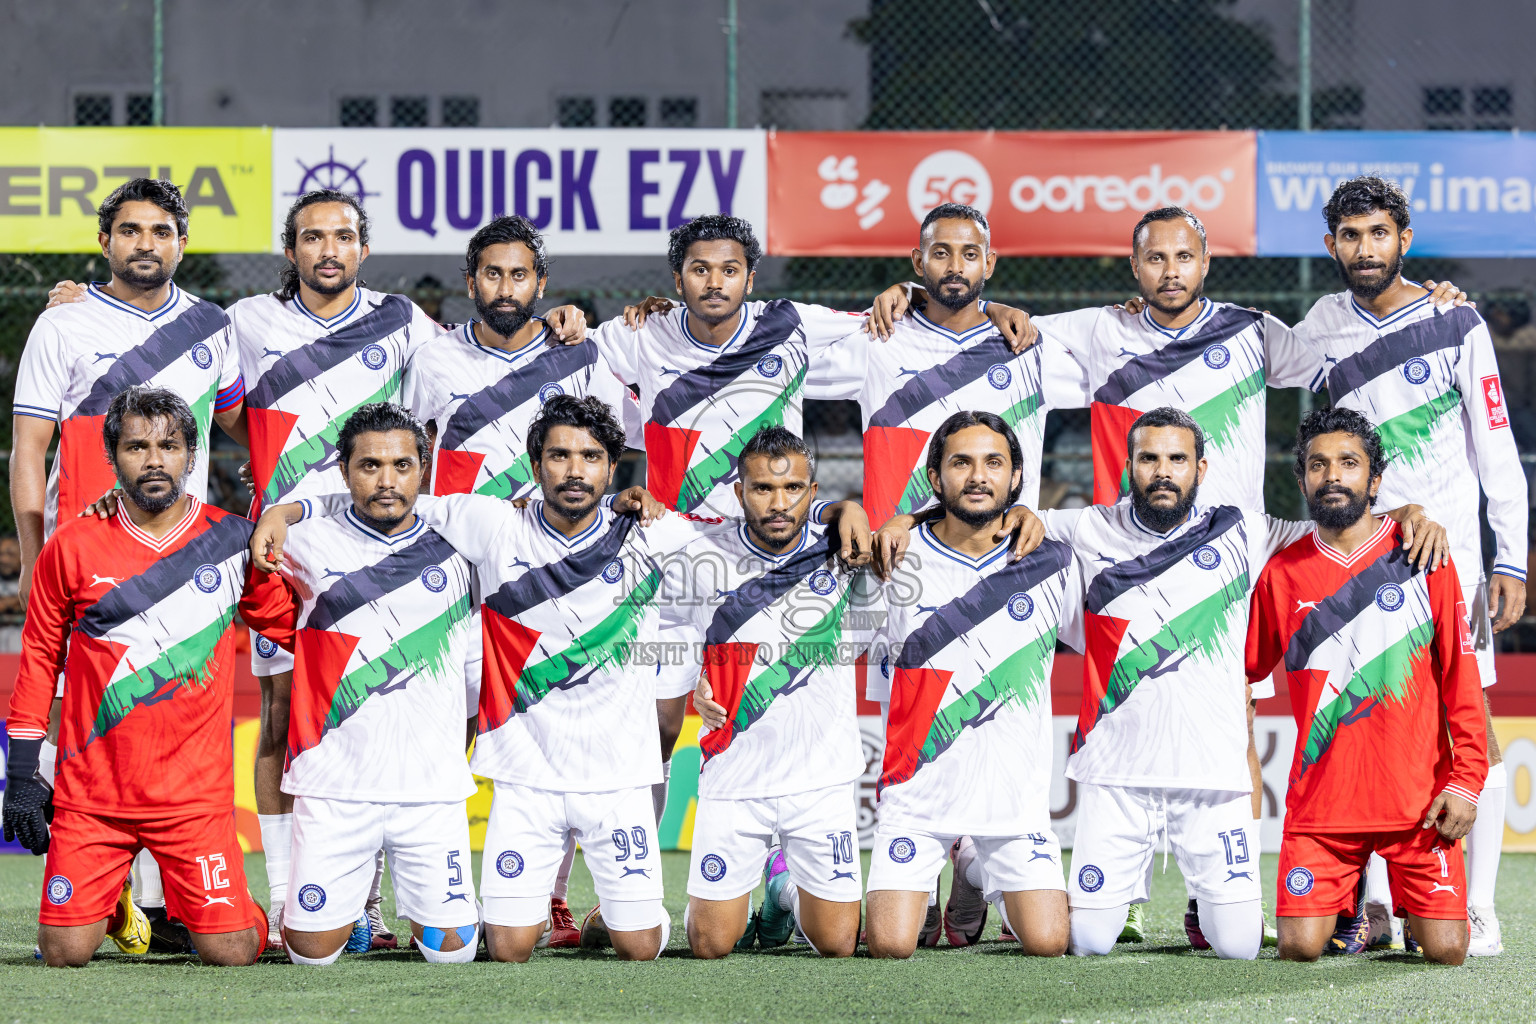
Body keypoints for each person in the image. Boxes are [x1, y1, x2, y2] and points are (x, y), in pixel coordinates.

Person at [47, 189, 591, 952]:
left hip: (398, 560)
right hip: (291, 559)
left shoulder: (403, 321)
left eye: (342, 236)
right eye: (312, 237)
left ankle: (389, 896)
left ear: (363, 249)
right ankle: (283, 900)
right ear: (290, 250)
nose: (328, 249)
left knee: (424, 715)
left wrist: (557, 322)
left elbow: (481, 352)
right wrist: (83, 305)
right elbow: (197, 396)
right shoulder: (244, 323)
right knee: (279, 724)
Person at [578, 214, 1032, 926]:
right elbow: (571, 356)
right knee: (658, 730)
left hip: (779, 557)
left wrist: (984, 306)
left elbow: (898, 324)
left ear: (750, 278)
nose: (714, 282)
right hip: (678, 564)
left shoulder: (791, 324)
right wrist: (578, 319)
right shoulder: (642, 334)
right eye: (698, 269)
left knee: (782, 704)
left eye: (729, 269)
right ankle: (626, 894)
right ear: (676, 279)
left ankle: (787, 870)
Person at [12, 177, 247, 949]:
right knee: (89, 723)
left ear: (182, 242)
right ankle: (101, 890)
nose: (146, 243)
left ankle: (176, 906)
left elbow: (247, 418)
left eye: (162, 230)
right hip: (93, 557)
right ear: (106, 241)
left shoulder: (216, 326)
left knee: (171, 714)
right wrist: (37, 550)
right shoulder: (65, 323)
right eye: (130, 230)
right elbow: (29, 451)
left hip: (184, 560)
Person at [1295, 176, 1525, 956]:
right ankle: (1385, 907)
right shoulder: (1319, 325)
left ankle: (1482, 910)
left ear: (1405, 239)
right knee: (1377, 721)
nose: (1366, 249)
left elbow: (1498, 451)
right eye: (1351, 237)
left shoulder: (1456, 318)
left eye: (1379, 235)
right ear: (1331, 246)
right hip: (1358, 564)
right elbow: (1233, 355)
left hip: (1446, 562)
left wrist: (1513, 562)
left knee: (1472, 733)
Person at [404, 215, 643, 946]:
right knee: (437, 733)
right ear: (470, 281)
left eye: (519, 275)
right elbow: (406, 456)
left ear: (542, 283)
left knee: (553, 728)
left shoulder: (580, 352)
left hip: (549, 580)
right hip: (457, 581)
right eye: (491, 274)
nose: (505, 288)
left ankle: (554, 896)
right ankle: (426, 899)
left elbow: (621, 441)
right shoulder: (435, 359)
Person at [3, 387, 274, 967]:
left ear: (191, 456)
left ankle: (211, 905)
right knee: (64, 953)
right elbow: (39, 662)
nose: (154, 460)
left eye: (169, 446)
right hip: (92, 799)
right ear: (112, 457)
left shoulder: (233, 542)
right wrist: (22, 776)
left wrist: (283, 520)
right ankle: (117, 902)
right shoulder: (71, 545)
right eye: (137, 447)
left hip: (193, 800)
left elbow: (290, 621)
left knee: (231, 952)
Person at [238, 403, 481, 965]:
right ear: (344, 473)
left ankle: (401, 911)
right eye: (369, 466)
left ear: (424, 467)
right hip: (334, 788)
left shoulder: (465, 542)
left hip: (430, 793)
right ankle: (340, 912)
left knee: (454, 956)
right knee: (312, 955)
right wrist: (281, 510)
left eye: (401, 465)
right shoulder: (304, 543)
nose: (387, 480)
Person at [1246, 407, 1487, 965]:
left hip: (1417, 805)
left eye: (1348, 464)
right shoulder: (1282, 574)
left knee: (1447, 951)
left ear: (1374, 480)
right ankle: (1354, 902)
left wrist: (1467, 780)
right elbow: (1243, 670)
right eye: (1318, 465)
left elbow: (1461, 679)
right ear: (1302, 478)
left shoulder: (1423, 557)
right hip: (1322, 810)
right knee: (1299, 949)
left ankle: (1397, 904)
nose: (1332, 476)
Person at [862, 410, 1079, 959]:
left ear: (1015, 476)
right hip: (916, 794)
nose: (978, 476)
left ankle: (974, 869)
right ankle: (952, 857)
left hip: (1013, 803)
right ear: (936, 478)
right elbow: (825, 642)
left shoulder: (1054, 560)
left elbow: (1106, 636)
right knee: (891, 946)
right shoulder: (894, 558)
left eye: (993, 463)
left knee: (1051, 943)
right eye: (961, 462)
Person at [673, 426, 874, 959]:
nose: (779, 503)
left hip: (820, 775)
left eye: (793, 490)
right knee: (711, 945)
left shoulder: (843, 548)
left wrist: (845, 508)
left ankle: (782, 891)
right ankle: (760, 880)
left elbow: (914, 531)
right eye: (763, 489)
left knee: (837, 945)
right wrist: (689, 680)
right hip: (734, 769)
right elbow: (670, 638)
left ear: (812, 493)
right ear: (739, 492)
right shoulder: (700, 552)